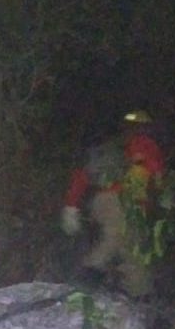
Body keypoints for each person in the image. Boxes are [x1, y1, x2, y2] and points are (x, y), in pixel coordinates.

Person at [61, 110, 164, 297]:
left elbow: (82, 175)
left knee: (130, 248)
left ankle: (137, 291)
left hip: (101, 202)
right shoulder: (147, 145)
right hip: (124, 203)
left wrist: (71, 206)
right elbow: (157, 179)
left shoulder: (110, 147)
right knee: (118, 240)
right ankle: (88, 276)